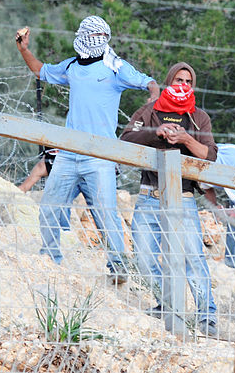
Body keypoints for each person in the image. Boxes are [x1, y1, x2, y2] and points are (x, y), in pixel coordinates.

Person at [15, 15, 160, 284]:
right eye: (91, 35)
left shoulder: (115, 67)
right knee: (49, 207)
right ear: (82, 36)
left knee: (106, 215)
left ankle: (118, 267)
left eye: (101, 36)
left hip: (100, 157)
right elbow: (41, 70)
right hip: (68, 154)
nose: (96, 40)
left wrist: (153, 94)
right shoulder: (71, 66)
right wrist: (24, 49)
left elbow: (147, 81)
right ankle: (50, 259)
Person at [120, 62, 220, 337]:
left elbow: (209, 156)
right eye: (178, 79)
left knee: (193, 260)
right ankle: (167, 304)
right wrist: (156, 132)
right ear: (168, 81)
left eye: (188, 81)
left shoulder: (199, 117)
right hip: (148, 197)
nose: (183, 85)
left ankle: (206, 318)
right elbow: (125, 139)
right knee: (142, 257)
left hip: (184, 200)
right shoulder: (151, 110)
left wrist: (186, 138)